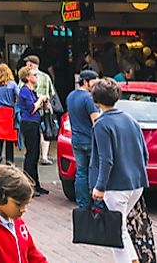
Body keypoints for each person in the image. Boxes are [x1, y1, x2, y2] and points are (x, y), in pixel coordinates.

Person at [90, 78, 149, 263]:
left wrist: (99, 186)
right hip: (136, 184)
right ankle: (133, 259)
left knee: (117, 232)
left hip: (116, 186)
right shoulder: (130, 119)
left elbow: (106, 160)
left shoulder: (101, 124)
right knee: (120, 227)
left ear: (96, 100)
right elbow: (144, 153)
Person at [65, 69, 101, 209]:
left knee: (81, 172)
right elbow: (96, 121)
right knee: (95, 170)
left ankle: (82, 203)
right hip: (90, 140)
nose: (96, 85)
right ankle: (97, 203)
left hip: (76, 140)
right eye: (94, 82)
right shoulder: (88, 99)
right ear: (86, 82)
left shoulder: (71, 96)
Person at [16, 66, 48, 197]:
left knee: (34, 154)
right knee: (31, 154)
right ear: (28, 78)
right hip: (29, 123)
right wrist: (40, 100)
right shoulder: (24, 91)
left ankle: (36, 184)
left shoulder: (30, 91)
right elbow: (31, 109)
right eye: (34, 75)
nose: (36, 76)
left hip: (33, 122)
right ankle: (28, 185)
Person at [24, 55, 56, 167]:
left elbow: (20, 92)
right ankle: (44, 156)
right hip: (45, 108)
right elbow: (52, 93)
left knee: (33, 132)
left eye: (27, 63)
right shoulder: (46, 76)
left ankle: (33, 154)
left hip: (32, 109)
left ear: (31, 64)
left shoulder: (27, 77)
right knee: (45, 131)